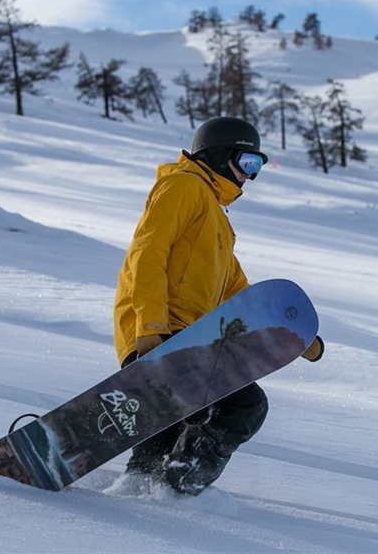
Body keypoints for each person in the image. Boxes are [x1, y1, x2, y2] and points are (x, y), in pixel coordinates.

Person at [113, 116, 324, 495]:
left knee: (173, 419)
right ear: (219, 153)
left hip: (187, 337)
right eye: (247, 163)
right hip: (165, 332)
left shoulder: (217, 219)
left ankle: (140, 483)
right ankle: (179, 485)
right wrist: (149, 328)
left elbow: (238, 291)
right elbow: (147, 253)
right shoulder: (183, 186)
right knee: (244, 407)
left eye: (257, 167)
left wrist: (295, 335)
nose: (250, 177)